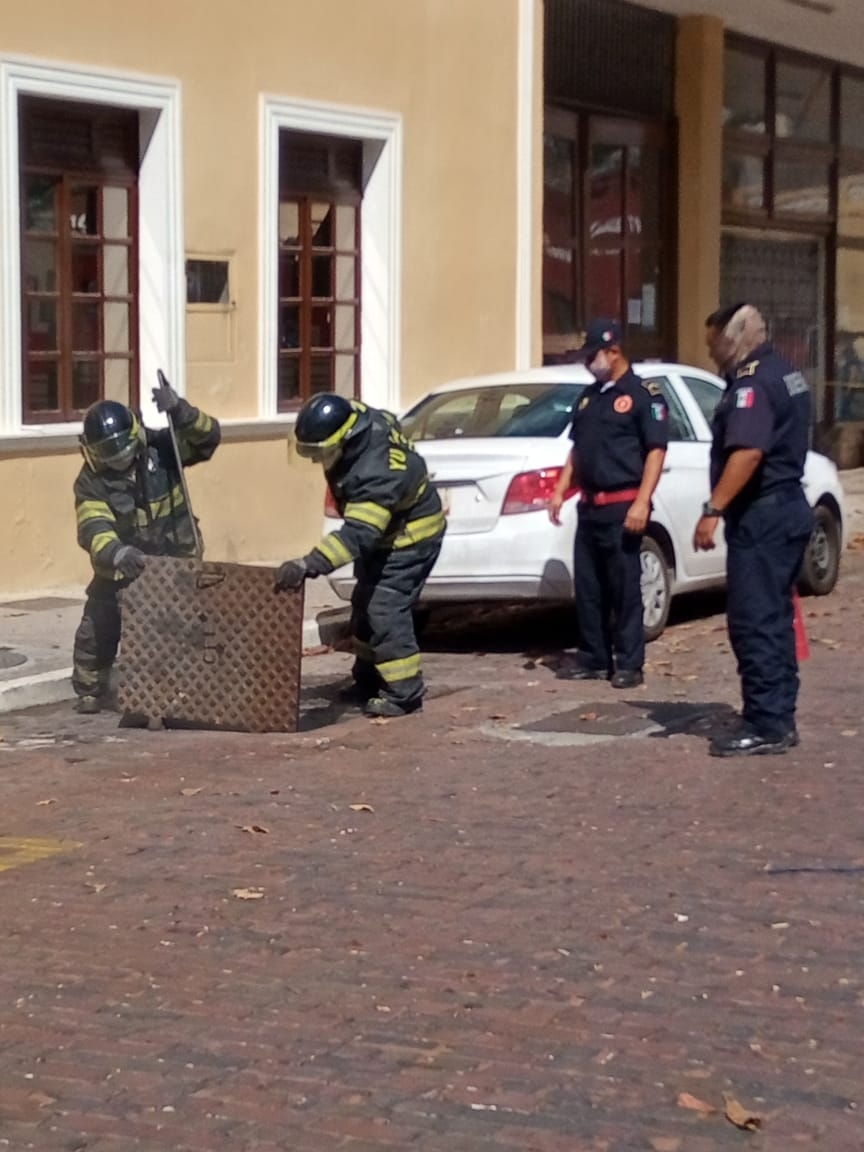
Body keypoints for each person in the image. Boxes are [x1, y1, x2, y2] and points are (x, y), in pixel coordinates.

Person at [275, 393, 445, 718]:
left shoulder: (374, 473)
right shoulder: (360, 418)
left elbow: (358, 535)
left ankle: (404, 693)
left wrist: (307, 565)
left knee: (385, 608)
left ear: (346, 438)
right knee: (363, 605)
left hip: (410, 538)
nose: (314, 460)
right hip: (386, 532)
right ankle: (367, 681)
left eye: (320, 453)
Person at [694, 303, 813, 757]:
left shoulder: (752, 383)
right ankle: (778, 714)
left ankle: (766, 723)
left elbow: (747, 453)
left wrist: (713, 509)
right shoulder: (784, 371)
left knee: (755, 621)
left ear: (736, 335)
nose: (713, 355)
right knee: (775, 619)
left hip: (764, 516)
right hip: (784, 509)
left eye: (715, 344)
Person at [72, 380, 221, 714]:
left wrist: (181, 412)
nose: (119, 459)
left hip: (174, 559)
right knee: (98, 626)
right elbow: (92, 527)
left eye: (123, 450)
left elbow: (208, 438)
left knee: (175, 628)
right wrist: (117, 553)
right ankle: (90, 689)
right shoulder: (91, 481)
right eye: (109, 455)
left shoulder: (163, 448)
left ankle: (176, 688)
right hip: (122, 566)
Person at [549, 319, 669, 688]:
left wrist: (642, 502)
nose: (589, 363)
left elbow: (655, 451)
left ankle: (629, 662)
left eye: (593, 355)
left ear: (613, 351)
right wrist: (560, 488)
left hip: (623, 504)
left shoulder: (643, 394)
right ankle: (594, 658)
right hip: (589, 507)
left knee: (624, 588)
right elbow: (577, 449)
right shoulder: (589, 397)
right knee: (589, 587)